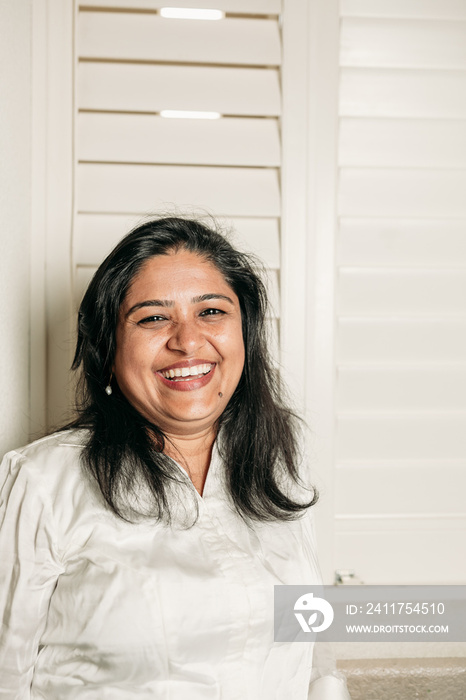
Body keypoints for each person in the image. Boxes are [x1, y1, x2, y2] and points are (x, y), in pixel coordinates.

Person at [0, 217, 351, 698]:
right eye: (152, 317)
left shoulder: (279, 460)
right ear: (108, 348)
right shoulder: (41, 482)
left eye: (211, 312)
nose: (187, 340)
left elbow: (311, 641)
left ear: (245, 335)